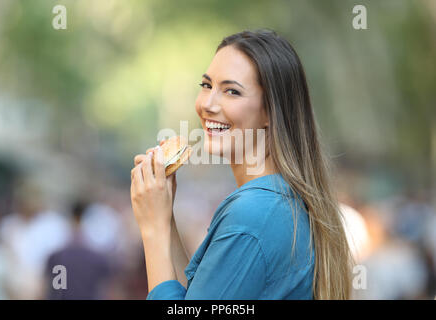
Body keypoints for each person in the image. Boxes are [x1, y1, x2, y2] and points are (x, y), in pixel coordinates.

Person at [130, 29, 353, 300]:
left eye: (232, 91)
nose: (208, 104)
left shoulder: (253, 215)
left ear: (271, 111)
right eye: (206, 85)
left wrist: (152, 230)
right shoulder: (278, 203)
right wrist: (163, 219)